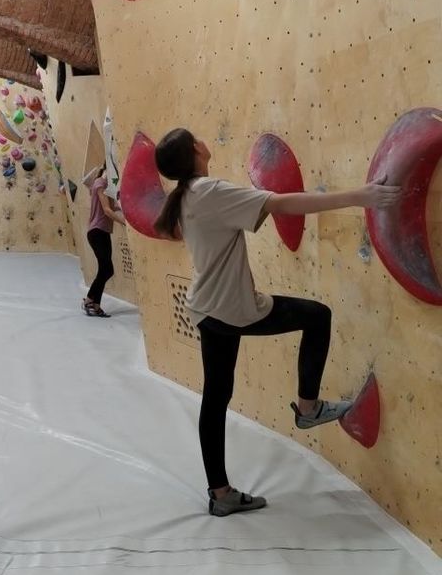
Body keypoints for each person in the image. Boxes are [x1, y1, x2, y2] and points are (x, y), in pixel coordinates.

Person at [153, 128, 401, 517]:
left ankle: (220, 493)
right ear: (196, 151)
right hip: (232, 309)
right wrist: (360, 196)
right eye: (197, 140)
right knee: (317, 316)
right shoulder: (209, 191)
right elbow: (284, 203)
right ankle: (308, 408)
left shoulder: (184, 197)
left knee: (216, 398)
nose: (203, 142)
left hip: (206, 309)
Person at [83, 165, 126, 317]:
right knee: (106, 269)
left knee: (106, 270)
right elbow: (107, 210)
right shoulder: (100, 183)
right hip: (97, 232)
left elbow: (114, 207)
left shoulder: (107, 186)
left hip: (102, 232)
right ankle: (90, 300)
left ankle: (95, 304)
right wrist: (124, 222)